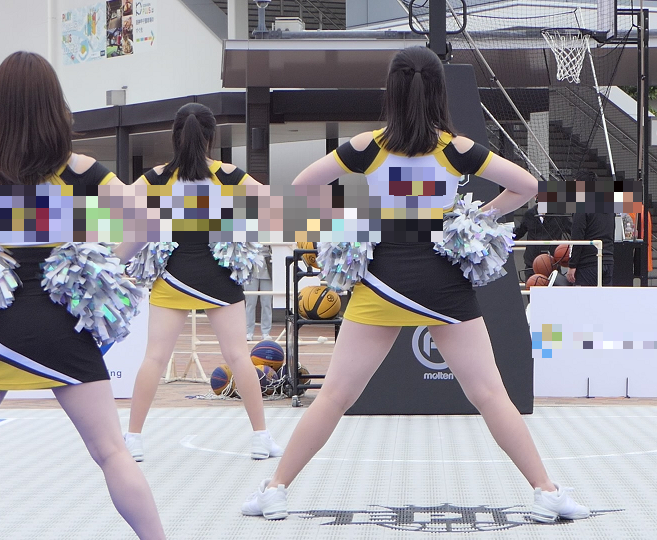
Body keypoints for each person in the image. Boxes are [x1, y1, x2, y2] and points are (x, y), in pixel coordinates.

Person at [241, 46, 590, 523]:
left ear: (392, 90)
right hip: (443, 281)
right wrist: (475, 217)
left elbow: (302, 185)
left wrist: (346, 221)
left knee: (335, 395)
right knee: (490, 394)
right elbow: (528, 186)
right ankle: (546, 492)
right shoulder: (455, 148)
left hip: (382, 278)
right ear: (438, 92)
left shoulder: (368, 146)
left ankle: (275, 490)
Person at [0, 51, 164, 538]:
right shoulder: (80, 169)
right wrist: (103, 267)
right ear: (54, 106)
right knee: (112, 453)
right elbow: (145, 223)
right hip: (65, 325)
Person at [123, 103, 282, 462]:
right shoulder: (229, 176)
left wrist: (114, 258)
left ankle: (133, 440)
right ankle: (260, 437)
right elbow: (271, 208)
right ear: (210, 136)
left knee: (154, 358)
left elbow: (117, 212)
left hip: (174, 275)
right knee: (239, 356)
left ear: (175, 135)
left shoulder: (156, 178)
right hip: (219, 276)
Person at [567, 172, 614, 286]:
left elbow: (577, 237)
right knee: (605, 296)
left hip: (588, 263)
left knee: (585, 297)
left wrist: (572, 265)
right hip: (608, 259)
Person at [513, 200, 572, 271]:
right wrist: (504, 238)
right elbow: (519, 232)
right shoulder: (529, 214)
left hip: (553, 262)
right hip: (532, 262)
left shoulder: (560, 215)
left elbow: (573, 231)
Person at [245, 245, 273, 342]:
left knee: (266, 302)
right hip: (251, 265)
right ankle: (249, 332)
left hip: (267, 265)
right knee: (250, 302)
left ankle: (266, 332)